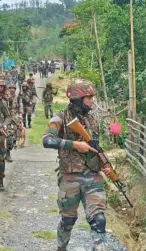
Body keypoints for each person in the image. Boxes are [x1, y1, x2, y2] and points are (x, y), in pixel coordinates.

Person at [43, 79, 109, 251]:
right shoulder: (61, 117)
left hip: (93, 176)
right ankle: (61, 248)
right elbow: (47, 140)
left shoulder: (94, 117)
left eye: (92, 96)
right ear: (77, 98)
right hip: (70, 177)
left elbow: (95, 147)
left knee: (98, 219)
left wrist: (105, 165)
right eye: (88, 97)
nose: (92, 100)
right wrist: (73, 145)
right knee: (68, 221)